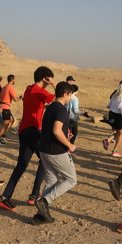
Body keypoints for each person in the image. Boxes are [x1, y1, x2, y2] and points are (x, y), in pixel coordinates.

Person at [0, 66, 55, 212]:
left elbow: (36, 102)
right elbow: (60, 99)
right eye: (47, 80)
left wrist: (42, 106)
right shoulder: (40, 90)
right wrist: (53, 83)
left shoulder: (29, 89)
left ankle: (4, 197)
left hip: (23, 130)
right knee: (46, 160)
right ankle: (34, 195)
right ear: (44, 79)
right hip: (33, 130)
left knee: (21, 165)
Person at [33, 82, 77, 224]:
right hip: (56, 151)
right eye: (70, 95)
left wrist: (65, 135)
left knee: (51, 180)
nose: (70, 98)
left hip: (44, 150)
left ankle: (40, 215)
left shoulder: (51, 107)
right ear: (65, 94)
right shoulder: (61, 109)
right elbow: (56, 131)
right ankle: (45, 201)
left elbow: (56, 130)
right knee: (71, 179)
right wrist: (69, 144)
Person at [102, 82, 122, 157]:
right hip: (118, 116)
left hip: (112, 114)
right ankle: (114, 150)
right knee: (121, 134)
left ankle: (108, 140)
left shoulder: (114, 96)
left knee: (121, 131)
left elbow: (108, 106)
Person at [0, 74, 22, 144]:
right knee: (6, 125)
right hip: (6, 107)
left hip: (3, 106)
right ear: (12, 80)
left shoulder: (4, 87)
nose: (15, 81)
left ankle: (3, 135)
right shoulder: (11, 88)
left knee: (11, 120)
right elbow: (16, 99)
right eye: (14, 79)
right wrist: (21, 97)